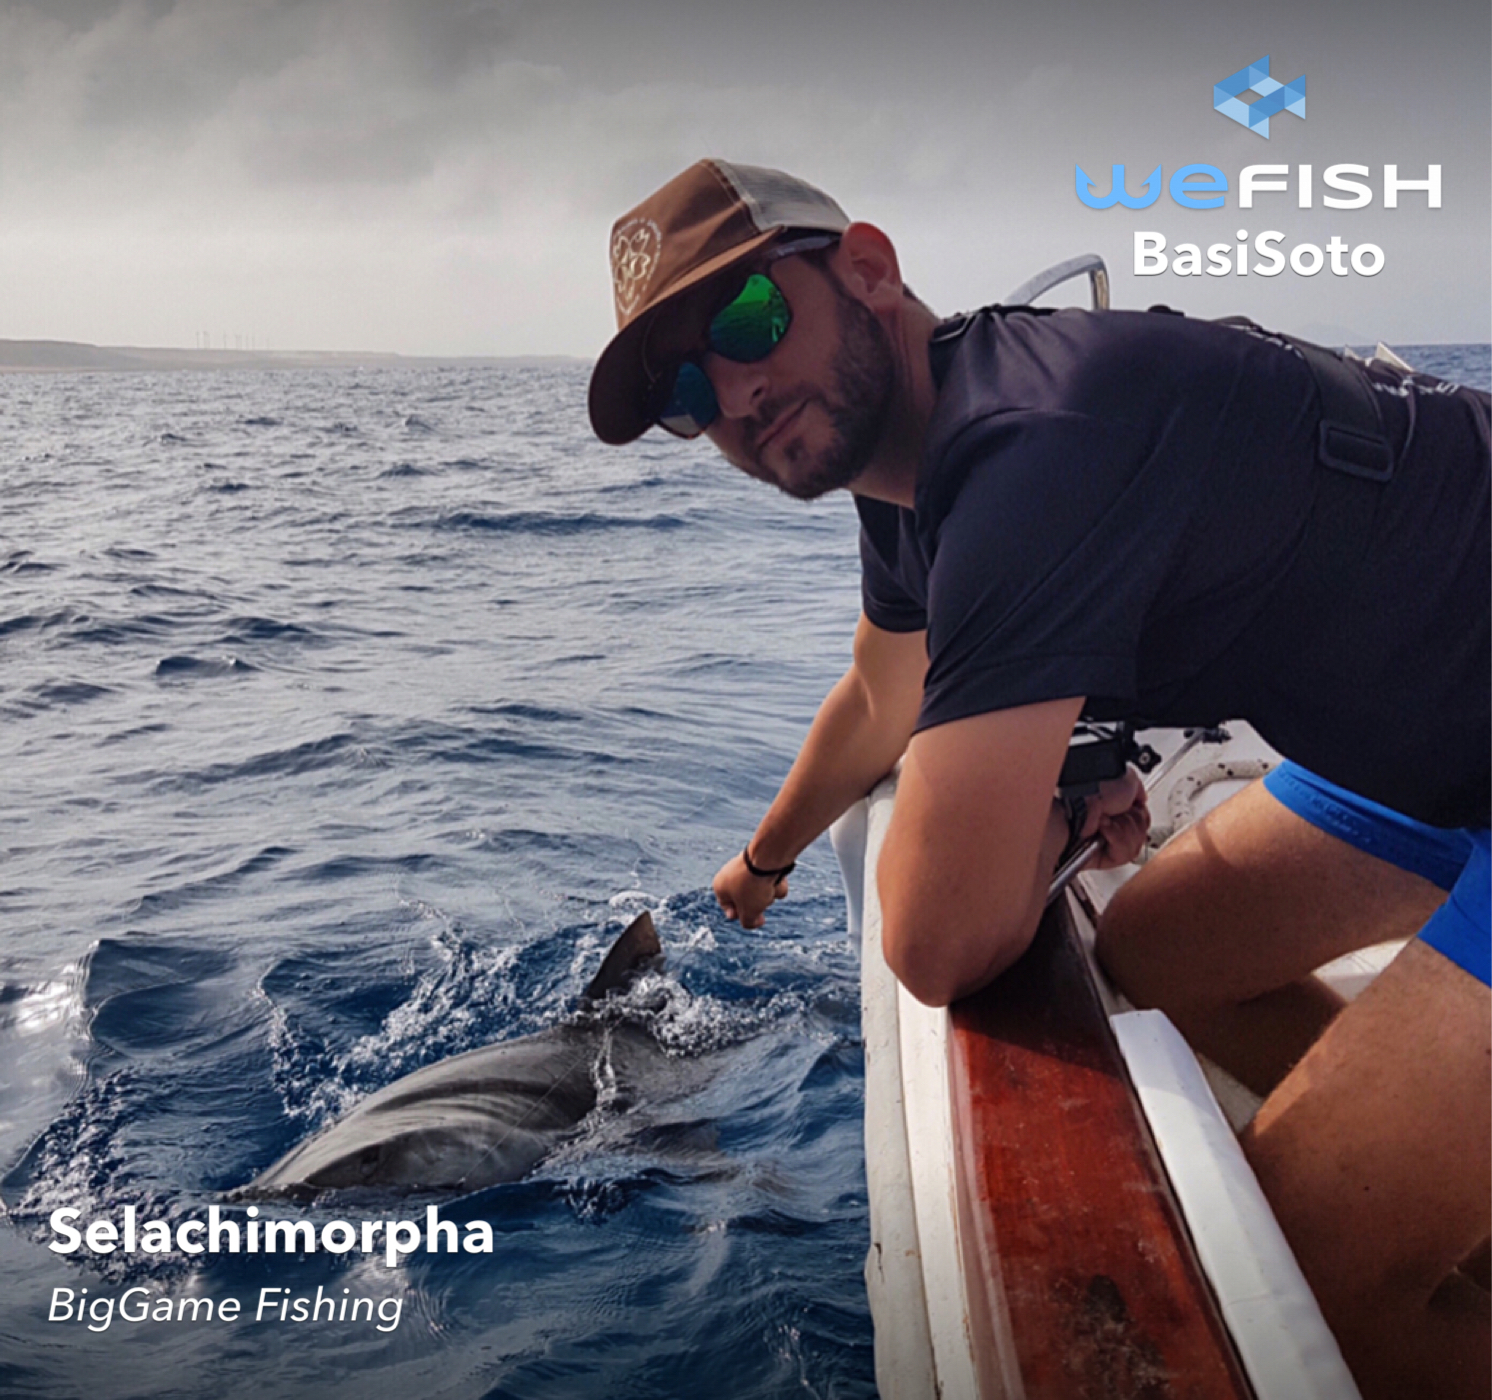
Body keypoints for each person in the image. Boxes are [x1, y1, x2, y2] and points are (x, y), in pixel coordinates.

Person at [586, 158, 1490, 1397]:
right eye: (687, 392)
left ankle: (1408, 1218)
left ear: (867, 267)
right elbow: (876, 697)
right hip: (1436, 748)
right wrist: (766, 857)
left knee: (1313, 1263)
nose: (734, 390)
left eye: (749, 321)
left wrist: (1052, 810)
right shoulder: (914, 487)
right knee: (1159, 949)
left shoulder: (1030, 447)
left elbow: (939, 942)